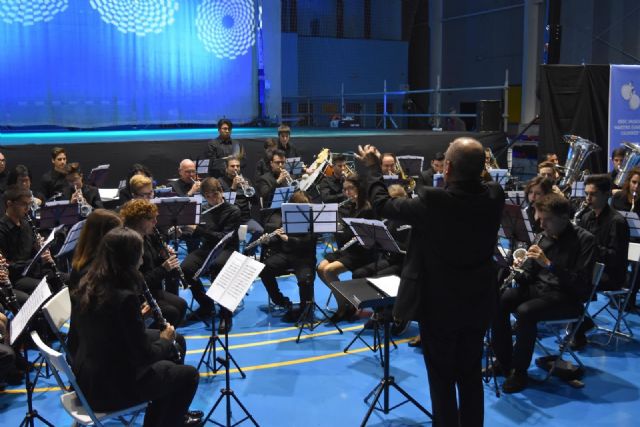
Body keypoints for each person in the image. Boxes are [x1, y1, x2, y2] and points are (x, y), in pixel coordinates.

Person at [356, 137, 504, 426]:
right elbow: (481, 183)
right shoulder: (495, 196)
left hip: (439, 306)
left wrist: (373, 169)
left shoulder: (434, 202)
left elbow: (382, 204)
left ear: (446, 168)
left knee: (442, 380)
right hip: (478, 302)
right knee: (471, 375)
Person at [70, 227, 201, 427]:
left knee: (176, 346)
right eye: (139, 254)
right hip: (111, 389)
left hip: (87, 379)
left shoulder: (88, 282)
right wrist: (166, 340)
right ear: (129, 258)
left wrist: (138, 318)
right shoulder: (124, 297)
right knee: (188, 374)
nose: (142, 259)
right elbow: (144, 356)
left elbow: (108, 325)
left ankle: (165, 412)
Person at [492, 193, 596, 393]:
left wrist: (549, 264)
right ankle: (504, 363)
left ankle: (519, 372)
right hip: (541, 291)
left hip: (567, 298)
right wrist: (519, 270)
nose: (541, 224)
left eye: (546, 220)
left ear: (564, 218)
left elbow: (581, 286)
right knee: (499, 300)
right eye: (539, 219)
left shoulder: (585, 240)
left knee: (525, 311)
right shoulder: (543, 236)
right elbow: (529, 276)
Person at [572, 174, 629, 348]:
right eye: (586, 193)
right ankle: (582, 322)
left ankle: (579, 332)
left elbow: (615, 258)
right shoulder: (586, 217)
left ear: (606, 194)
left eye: (593, 194)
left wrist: (590, 246)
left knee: (574, 284)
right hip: (591, 270)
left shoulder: (617, 221)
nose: (587, 198)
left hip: (611, 275)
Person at [180, 178, 241, 332]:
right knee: (185, 268)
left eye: (215, 194)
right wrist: (184, 231)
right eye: (208, 196)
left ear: (221, 191)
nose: (213, 199)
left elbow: (223, 237)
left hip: (227, 248)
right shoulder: (204, 209)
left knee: (217, 265)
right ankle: (207, 305)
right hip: (208, 248)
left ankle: (225, 313)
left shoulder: (233, 211)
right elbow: (198, 236)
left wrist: (198, 230)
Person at [120, 199, 188, 328]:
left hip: (151, 288)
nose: (156, 223)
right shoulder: (129, 243)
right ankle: (157, 338)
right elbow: (137, 281)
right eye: (151, 219)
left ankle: (168, 337)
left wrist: (164, 257)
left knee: (182, 305)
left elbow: (152, 264)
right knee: (172, 312)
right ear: (139, 220)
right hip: (137, 294)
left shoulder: (148, 236)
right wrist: (164, 268)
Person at [317, 174, 375, 323]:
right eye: (345, 189)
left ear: (359, 189)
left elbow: (365, 238)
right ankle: (346, 303)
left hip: (362, 252)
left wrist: (342, 230)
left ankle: (343, 307)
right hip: (348, 249)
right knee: (320, 267)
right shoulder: (350, 206)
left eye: (351, 188)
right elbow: (346, 233)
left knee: (329, 270)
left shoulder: (367, 208)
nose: (347, 193)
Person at [258, 191, 317, 322]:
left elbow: (308, 242)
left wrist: (287, 239)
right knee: (264, 269)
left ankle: (305, 309)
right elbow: (278, 239)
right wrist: (267, 240)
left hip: (304, 258)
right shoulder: (287, 215)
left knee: (305, 279)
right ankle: (280, 300)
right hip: (287, 255)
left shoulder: (314, 218)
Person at [0, 186, 55, 301]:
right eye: (24, 204)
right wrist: (33, 262)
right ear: (10, 204)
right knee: (46, 289)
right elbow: (8, 265)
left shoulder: (27, 224)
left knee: (62, 279)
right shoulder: (2, 230)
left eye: (30, 204)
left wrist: (41, 251)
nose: (27, 209)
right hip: (16, 277)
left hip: (33, 270)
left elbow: (34, 250)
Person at [218, 156, 264, 247]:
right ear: (226, 168)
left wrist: (248, 189)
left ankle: (248, 249)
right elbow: (224, 205)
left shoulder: (246, 180)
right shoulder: (220, 182)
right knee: (233, 240)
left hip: (245, 219)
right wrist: (233, 187)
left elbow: (255, 202)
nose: (235, 168)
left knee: (260, 231)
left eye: (238, 166)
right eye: (232, 166)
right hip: (229, 220)